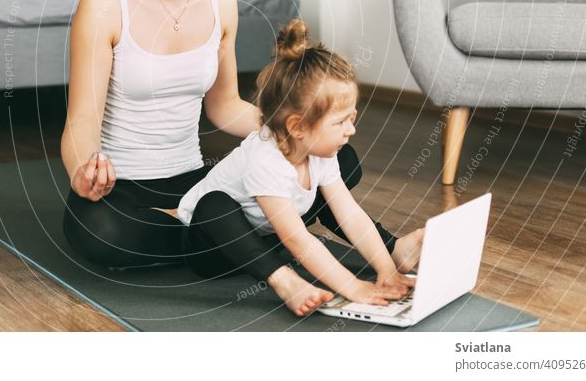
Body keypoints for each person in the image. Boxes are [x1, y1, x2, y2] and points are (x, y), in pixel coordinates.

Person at [61, 0, 422, 309]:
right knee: (101, 233)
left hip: (194, 181)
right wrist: (81, 172)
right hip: (126, 191)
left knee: (336, 158)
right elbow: (82, 118)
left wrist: (296, 129)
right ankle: (253, 243)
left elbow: (225, 106)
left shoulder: (221, 0)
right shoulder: (105, 4)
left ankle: (376, 246)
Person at [177, 19, 417, 316]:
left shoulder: (319, 151)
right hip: (212, 249)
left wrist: (386, 270)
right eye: (341, 121)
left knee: (339, 178)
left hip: (265, 239)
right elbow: (297, 239)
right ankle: (284, 281)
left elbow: (350, 214)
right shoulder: (265, 160)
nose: (351, 130)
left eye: (352, 117)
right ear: (298, 126)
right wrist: (353, 287)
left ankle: (391, 252)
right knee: (215, 205)